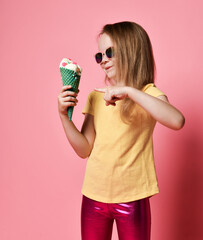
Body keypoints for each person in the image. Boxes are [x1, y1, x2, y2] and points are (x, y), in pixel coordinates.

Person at [57, 21, 185, 240]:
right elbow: (84, 149)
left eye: (109, 52)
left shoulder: (148, 94)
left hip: (132, 199)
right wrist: (63, 116)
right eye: (99, 56)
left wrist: (129, 91)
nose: (103, 60)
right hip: (93, 197)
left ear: (131, 50)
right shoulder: (96, 96)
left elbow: (177, 120)